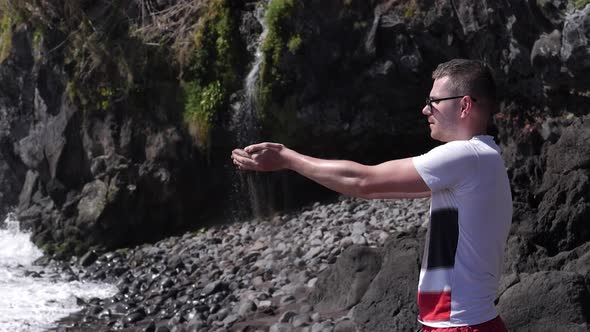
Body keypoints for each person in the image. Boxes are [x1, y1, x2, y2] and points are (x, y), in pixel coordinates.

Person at [231, 59, 512, 332]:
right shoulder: (484, 160)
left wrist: (287, 158)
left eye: (433, 102)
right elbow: (372, 190)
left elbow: (363, 181)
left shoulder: (465, 155)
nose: (425, 110)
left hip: (458, 324)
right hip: (465, 321)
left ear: (464, 105)